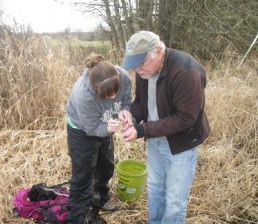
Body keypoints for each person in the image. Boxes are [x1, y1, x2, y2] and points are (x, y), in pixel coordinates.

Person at [120, 31, 211, 224]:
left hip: (181, 145)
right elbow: (140, 102)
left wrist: (142, 130)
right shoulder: (144, 71)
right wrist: (132, 116)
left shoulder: (187, 72)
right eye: (134, 65)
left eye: (141, 63)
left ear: (159, 51)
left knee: (175, 200)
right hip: (155, 139)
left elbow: (185, 118)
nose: (138, 69)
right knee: (154, 189)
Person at [66, 53, 132, 224]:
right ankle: (78, 217)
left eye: (114, 92)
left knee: (106, 166)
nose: (111, 98)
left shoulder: (123, 76)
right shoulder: (83, 94)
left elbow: (126, 100)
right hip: (82, 131)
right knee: (83, 175)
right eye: (105, 95)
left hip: (106, 125)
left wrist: (125, 110)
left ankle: (100, 198)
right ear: (96, 89)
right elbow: (92, 128)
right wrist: (107, 128)